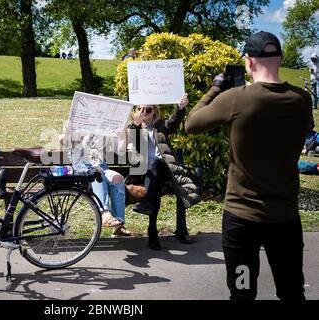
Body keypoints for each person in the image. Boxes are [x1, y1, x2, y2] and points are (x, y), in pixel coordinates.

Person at [185, 31, 312, 300]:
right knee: (291, 291)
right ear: (281, 58)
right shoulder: (302, 100)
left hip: (242, 220)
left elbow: (192, 123)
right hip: (285, 219)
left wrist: (216, 87)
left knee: (242, 292)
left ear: (249, 61)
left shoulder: (234, 98)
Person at [127, 95, 200, 250]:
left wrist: (180, 108)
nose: (143, 112)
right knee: (156, 184)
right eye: (140, 109)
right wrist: (135, 126)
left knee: (154, 164)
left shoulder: (161, 126)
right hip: (146, 173)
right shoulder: (134, 127)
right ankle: (152, 230)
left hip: (165, 167)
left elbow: (173, 122)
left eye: (148, 109)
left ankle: (146, 205)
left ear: (154, 112)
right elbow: (131, 145)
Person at [59, 123, 131, 237]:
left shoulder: (103, 129)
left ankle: (119, 224)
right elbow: (63, 141)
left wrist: (123, 136)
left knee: (117, 178)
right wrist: (66, 132)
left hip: (101, 168)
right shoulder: (76, 126)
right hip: (81, 172)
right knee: (97, 172)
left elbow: (120, 150)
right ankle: (104, 213)